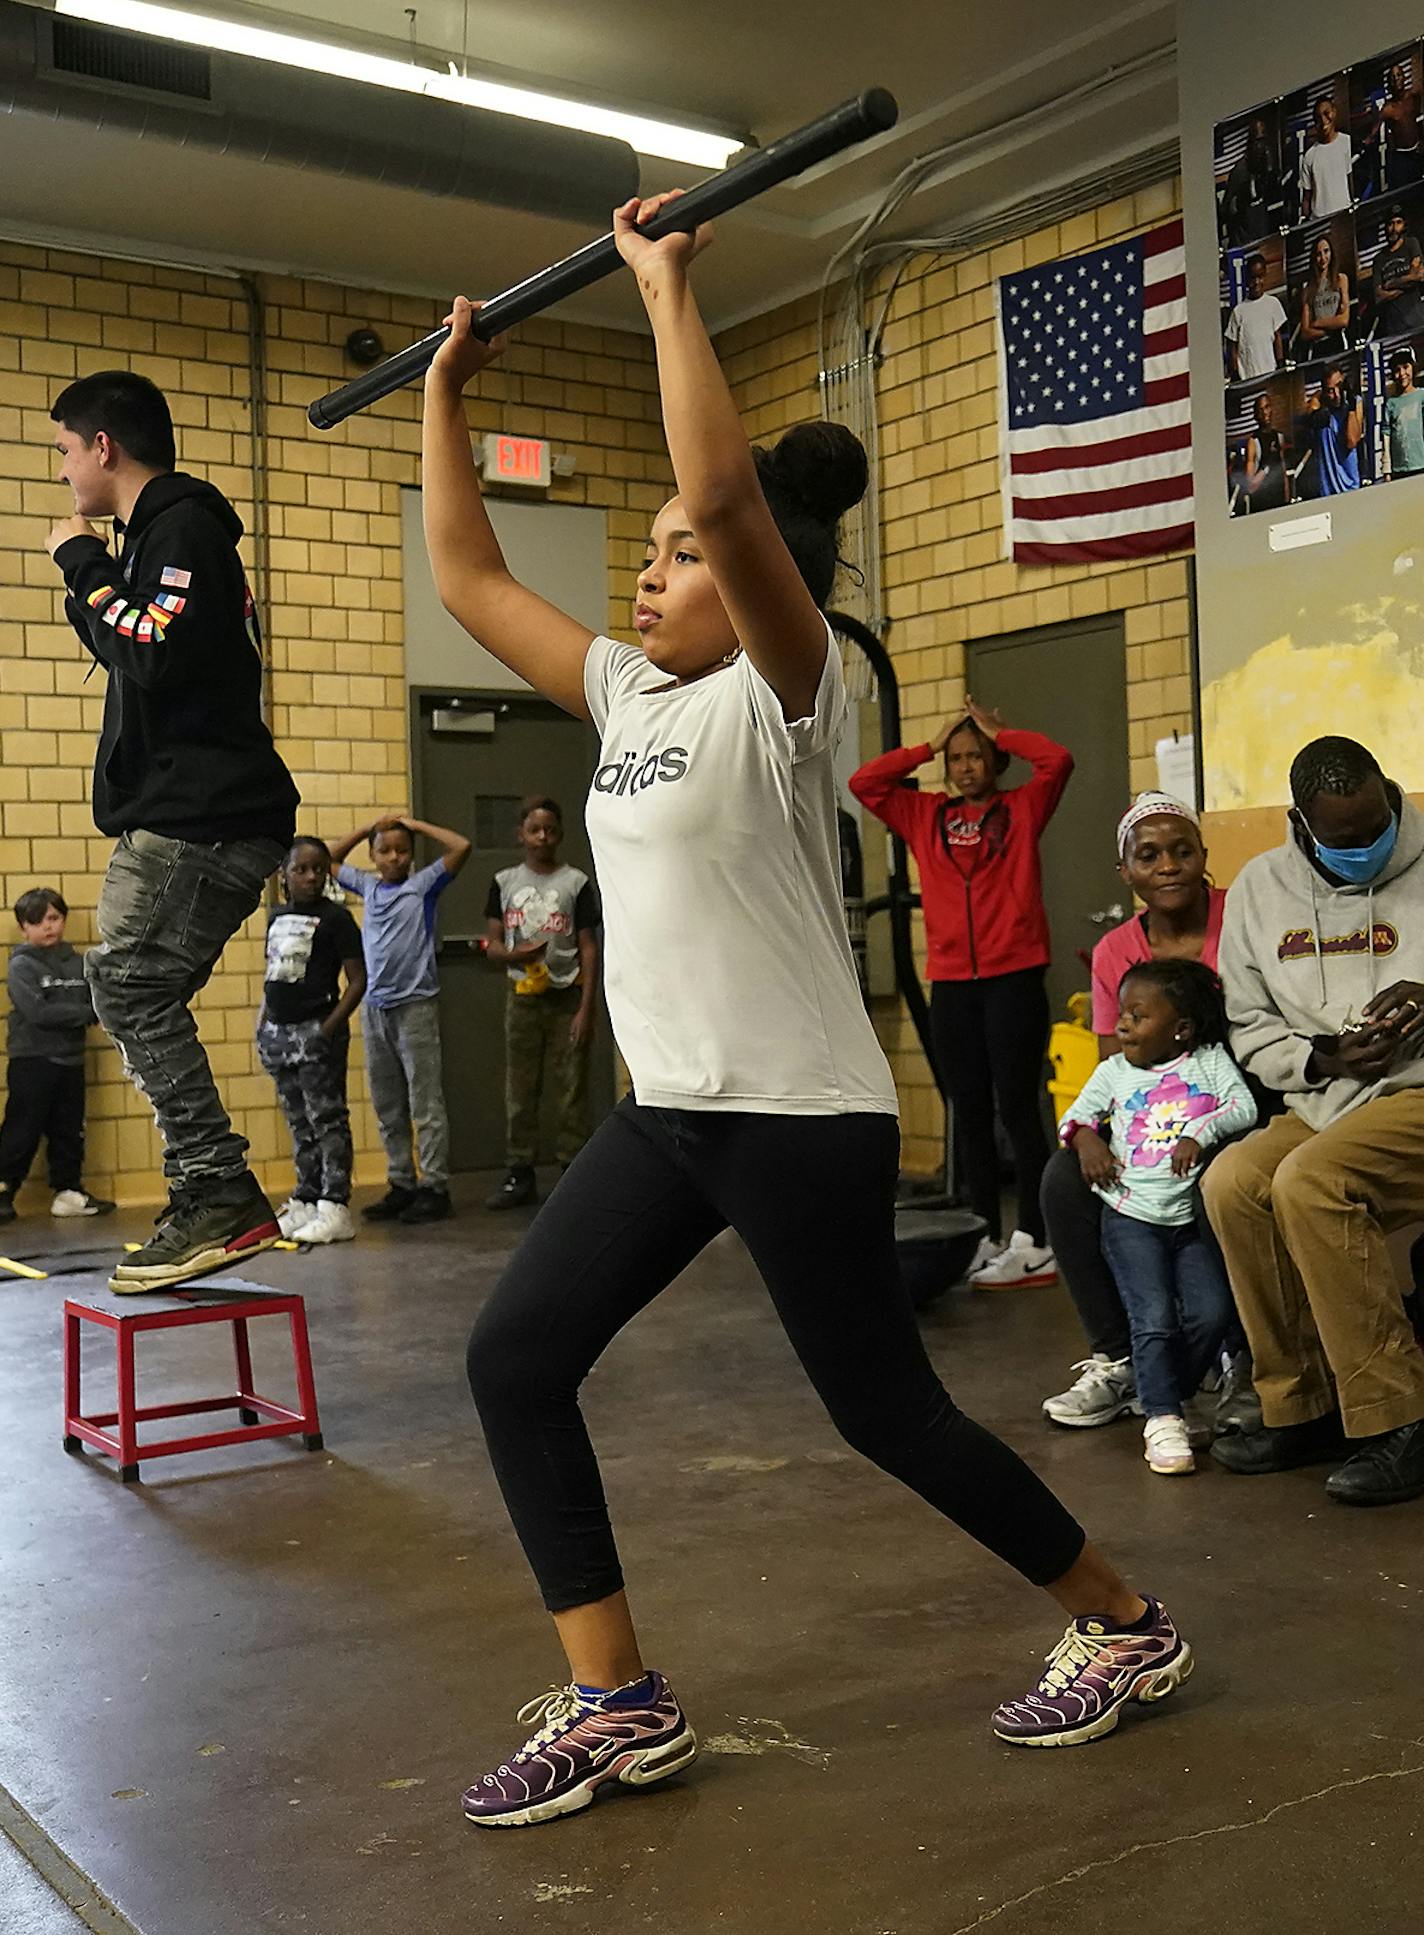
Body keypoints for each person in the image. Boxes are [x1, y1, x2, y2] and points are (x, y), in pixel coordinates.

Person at [423, 191, 1192, 1828]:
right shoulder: (628, 691)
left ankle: (1122, 1624)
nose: (649, 571)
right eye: (640, 557)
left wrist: (665, 291)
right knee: (512, 1359)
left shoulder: (790, 691)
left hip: (789, 1111)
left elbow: (717, 483)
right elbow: (470, 572)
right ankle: (619, 1699)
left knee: (879, 1412)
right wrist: (443, 390)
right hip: (668, 1107)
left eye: (680, 556)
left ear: (760, 571)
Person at [44, 370, 298, 1293]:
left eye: (67, 450)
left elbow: (147, 644)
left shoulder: (183, 527)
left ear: (103, 447)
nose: (65, 471)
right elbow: (143, 641)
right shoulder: (159, 536)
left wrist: (80, 562)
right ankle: (208, 1190)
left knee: (128, 986)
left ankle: (217, 1188)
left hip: (206, 816)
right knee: (133, 992)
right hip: (191, 811)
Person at [1204, 736, 1424, 1506]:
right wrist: (1324, 1058)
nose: (1367, 844)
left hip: (1418, 1092)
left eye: (1378, 825)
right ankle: (1301, 1404)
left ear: (1389, 794)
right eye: (1346, 836)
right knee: (1233, 1180)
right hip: (1328, 1095)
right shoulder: (1261, 889)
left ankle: (1400, 1414)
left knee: (1311, 1180)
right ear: (1303, 822)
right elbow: (1251, 1025)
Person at [851, 704, 1071, 1288]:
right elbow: (864, 783)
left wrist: (1004, 733)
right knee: (969, 1111)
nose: (966, 766)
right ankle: (983, 1234)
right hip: (952, 983)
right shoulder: (926, 815)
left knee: (1019, 1109)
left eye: (977, 755)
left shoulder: (1022, 809)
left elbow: (1057, 761)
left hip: (1014, 978)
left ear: (995, 760)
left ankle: (1036, 1238)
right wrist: (927, 746)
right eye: (957, 758)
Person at [1042, 795, 1229, 1426]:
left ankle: (1234, 1351)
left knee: (1224, 1179)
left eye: (1182, 851)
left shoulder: (1242, 918)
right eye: (1148, 856)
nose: (1169, 866)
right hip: (1151, 1114)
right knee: (1063, 1183)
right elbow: (1113, 1068)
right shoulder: (1114, 951)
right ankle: (1118, 1358)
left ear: (1204, 858)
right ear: (1126, 873)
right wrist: (1092, 1136)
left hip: (1232, 1100)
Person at [1059, 961, 1257, 1476]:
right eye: (1123, 1013)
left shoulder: (1208, 1062)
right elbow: (1074, 1117)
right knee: (1152, 1319)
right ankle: (1164, 1417)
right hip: (1130, 1216)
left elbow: (1244, 1107)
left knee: (1211, 1312)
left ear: (1181, 1029)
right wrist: (1087, 1142)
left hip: (1188, 1218)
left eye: (1138, 1016)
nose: (1121, 1025)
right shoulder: (1114, 1073)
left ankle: (1164, 1391)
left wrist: (1200, 1133)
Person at [328, 812, 470, 1225]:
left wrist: (413, 823)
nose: (393, 857)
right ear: (373, 856)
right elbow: (329, 860)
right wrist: (367, 828)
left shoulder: (422, 886)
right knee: (388, 1103)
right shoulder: (369, 887)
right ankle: (401, 1182)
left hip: (416, 1007)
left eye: (401, 850)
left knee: (424, 1102)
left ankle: (434, 1186)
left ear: (410, 856)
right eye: (384, 850)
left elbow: (461, 846)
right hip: (375, 1008)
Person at [483, 797, 600, 1211]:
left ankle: (573, 1169)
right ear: (522, 834)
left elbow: (588, 946)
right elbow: (492, 944)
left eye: (550, 829)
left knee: (571, 1087)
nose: (543, 837)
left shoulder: (576, 882)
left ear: (560, 833)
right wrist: (513, 956)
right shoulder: (504, 882)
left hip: (567, 995)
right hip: (523, 998)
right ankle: (520, 1171)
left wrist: (587, 1007)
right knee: (520, 1088)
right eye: (535, 829)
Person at [256, 838, 367, 1246]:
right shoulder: (276, 915)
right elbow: (275, 974)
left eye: (318, 869)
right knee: (298, 1120)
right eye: (300, 869)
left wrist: (329, 1027)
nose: (310, 877)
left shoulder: (336, 920)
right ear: (283, 874)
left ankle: (335, 1204)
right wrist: (262, 1021)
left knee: (327, 1119)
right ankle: (306, 1197)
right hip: (278, 1034)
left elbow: (358, 980)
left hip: (316, 1029)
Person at [0, 887, 114, 1225]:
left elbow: (99, 1003)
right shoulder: (22, 965)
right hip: (33, 1059)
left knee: (69, 1130)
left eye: (53, 918)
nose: (48, 927)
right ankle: (4, 1187)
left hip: (71, 1059)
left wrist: (86, 1010)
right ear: (24, 928)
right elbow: (38, 1013)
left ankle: (67, 1191)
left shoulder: (79, 962)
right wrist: (85, 1013)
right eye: (37, 921)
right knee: (23, 1128)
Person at [1225, 254, 1286, 383]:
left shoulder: (1273, 303)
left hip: (1270, 370)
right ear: (1247, 279)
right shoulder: (1239, 311)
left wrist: (1280, 361)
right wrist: (1235, 371)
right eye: (1253, 278)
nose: (1256, 282)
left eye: (1260, 277)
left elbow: (1277, 336)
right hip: (1248, 376)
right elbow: (1232, 345)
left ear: (1265, 276)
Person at [1303, 363, 1363, 495]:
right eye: (1331, 390)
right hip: (1327, 491)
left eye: (1339, 386)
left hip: (1351, 487)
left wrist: (1351, 408)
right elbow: (1309, 413)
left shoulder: (1355, 403)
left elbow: (1352, 441)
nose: (1336, 394)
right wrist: (1321, 397)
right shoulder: (1320, 408)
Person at [1221, 115, 1278, 247]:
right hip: (1244, 240)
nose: (1262, 146)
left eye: (1264, 140)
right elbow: (1226, 209)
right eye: (1258, 141)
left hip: (1264, 237)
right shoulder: (1240, 171)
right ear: (1250, 143)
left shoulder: (1268, 164)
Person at [1370, 204, 1424, 335]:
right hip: (1394, 327)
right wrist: (1407, 282)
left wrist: (1390, 284)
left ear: (1404, 225)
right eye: (1390, 224)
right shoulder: (1379, 259)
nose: (1394, 228)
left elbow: (1419, 276)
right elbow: (1378, 297)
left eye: (1398, 223)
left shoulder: (1411, 244)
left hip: (1417, 319)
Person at [1369, 63, 1423, 194]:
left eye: (1398, 75)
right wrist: (1364, 143)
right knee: (1404, 193)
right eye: (1392, 77)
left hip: (1418, 151)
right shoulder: (1388, 109)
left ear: (1404, 77)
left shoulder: (1413, 96)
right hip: (1401, 157)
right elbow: (1373, 132)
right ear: (1389, 83)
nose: (1396, 79)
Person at [1300, 96, 1354, 219]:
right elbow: (1307, 196)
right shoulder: (1309, 156)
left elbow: (1350, 179)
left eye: (1326, 113)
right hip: (1319, 219)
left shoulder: (1346, 142)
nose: (1324, 120)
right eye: (1318, 118)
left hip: (1343, 215)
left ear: (1334, 112)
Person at [1297, 233, 1351, 354]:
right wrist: (1331, 327)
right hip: (1317, 348)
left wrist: (1317, 323)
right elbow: (1305, 332)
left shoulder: (1341, 279)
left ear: (1331, 252)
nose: (1323, 258)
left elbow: (1344, 320)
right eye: (1318, 254)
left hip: (1338, 343)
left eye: (1326, 251)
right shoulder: (1308, 288)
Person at [1242, 393, 1289, 512]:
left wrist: (1287, 500)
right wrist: (1266, 467)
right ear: (1256, 415)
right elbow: (1250, 486)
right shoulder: (1253, 442)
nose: (1264, 413)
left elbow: (1283, 471)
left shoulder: (1279, 437)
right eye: (1261, 410)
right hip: (1261, 505)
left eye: (1267, 407)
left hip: (1279, 502)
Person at [1383, 345, 1424, 479]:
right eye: (1397, 370)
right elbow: (1386, 435)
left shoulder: (1421, 395)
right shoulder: (1391, 404)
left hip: (1421, 464)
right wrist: (1387, 469)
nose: (1402, 374)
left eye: (1405, 367)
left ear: (1413, 367)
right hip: (1399, 470)